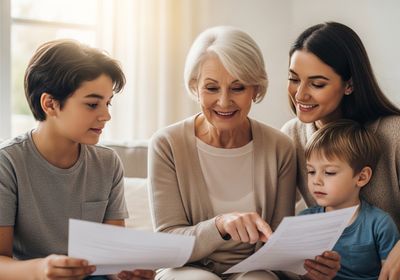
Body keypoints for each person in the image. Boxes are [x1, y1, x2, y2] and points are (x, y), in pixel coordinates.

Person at [148, 26, 339, 280]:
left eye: (237, 88)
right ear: (195, 87)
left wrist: (309, 271)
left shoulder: (280, 147)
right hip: (185, 269)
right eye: (212, 88)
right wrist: (220, 225)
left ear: (256, 89)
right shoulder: (167, 144)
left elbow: (278, 243)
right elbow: (167, 243)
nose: (224, 102)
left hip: (254, 269)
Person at [0, 39, 154, 280]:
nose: (106, 115)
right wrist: (41, 270)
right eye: (92, 104)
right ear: (50, 104)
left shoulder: (108, 163)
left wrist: (125, 272)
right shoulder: (7, 163)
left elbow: (112, 258)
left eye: (107, 103)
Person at [281, 21, 400, 280]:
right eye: (293, 79)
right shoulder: (291, 136)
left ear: (350, 84)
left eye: (317, 84)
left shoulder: (394, 133)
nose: (300, 94)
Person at [299, 119, 399, 279]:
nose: (316, 180)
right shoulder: (304, 221)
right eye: (311, 171)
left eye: (329, 172)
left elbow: (391, 274)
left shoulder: (379, 224)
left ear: (361, 177)